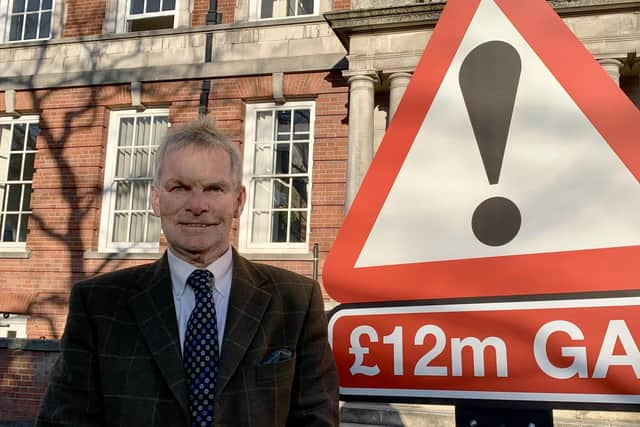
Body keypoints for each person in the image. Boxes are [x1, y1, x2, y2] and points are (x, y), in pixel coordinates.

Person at [36, 118, 339, 427]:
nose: (197, 205)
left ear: (238, 201)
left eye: (214, 188)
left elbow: (316, 419)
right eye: (179, 187)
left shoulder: (295, 301)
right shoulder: (98, 305)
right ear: (156, 198)